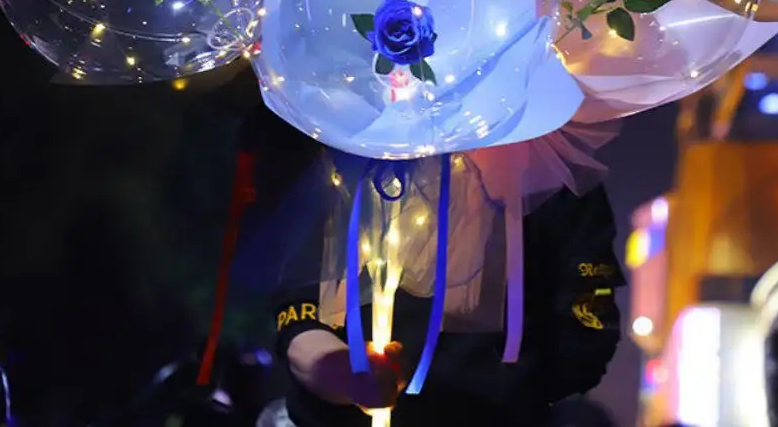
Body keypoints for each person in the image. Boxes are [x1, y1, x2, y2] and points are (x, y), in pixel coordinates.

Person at [237, 70, 625, 427]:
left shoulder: (555, 177)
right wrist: (347, 375)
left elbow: (585, 329)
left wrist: (518, 389)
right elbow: (300, 315)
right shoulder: (351, 156)